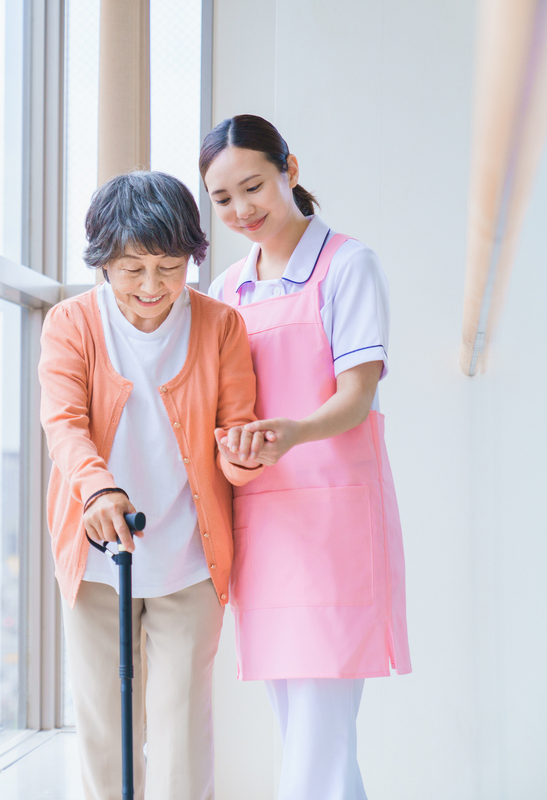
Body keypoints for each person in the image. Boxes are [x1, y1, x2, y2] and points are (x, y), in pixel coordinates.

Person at [202, 114, 411, 800]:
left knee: (320, 734)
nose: (242, 210)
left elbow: (357, 396)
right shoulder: (228, 288)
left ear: (290, 168)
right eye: (223, 198)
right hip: (263, 524)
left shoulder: (348, 264)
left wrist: (290, 433)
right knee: (305, 733)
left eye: (254, 186)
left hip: (333, 524)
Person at [39, 170, 264, 800]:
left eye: (169, 267)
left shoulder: (221, 326)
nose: (150, 286)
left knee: (181, 738)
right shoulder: (70, 324)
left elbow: (236, 433)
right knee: (106, 736)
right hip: (97, 557)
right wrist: (97, 489)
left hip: (190, 560)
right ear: (103, 262)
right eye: (131, 268)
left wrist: (246, 454)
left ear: (191, 258)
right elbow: (63, 424)